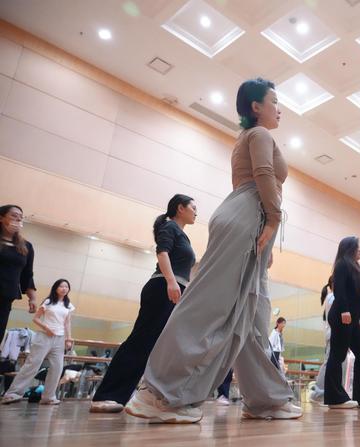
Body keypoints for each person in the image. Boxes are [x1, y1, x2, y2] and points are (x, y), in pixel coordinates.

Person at [125, 78, 300, 423]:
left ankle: (266, 398)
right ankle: (158, 394)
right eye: (274, 102)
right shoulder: (260, 134)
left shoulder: (246, 138)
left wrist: (265, 235)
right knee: (208, 305)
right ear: (256, 107)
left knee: (252, 313)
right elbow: (264, 174)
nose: (279, 109)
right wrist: (273, 219)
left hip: (248, 217)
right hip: (250, 217)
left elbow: (251, 182)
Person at [89, 194, 197, 413]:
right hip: (162, 289)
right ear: (180, 208)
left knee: (158, 348)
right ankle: (107, 395)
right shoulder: (170, 227)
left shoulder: (183, 235)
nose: (196, 212)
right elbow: (162, 253)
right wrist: (171, 281)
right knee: (140, 342)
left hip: (174, 292)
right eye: (193, 207)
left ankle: (146, 397)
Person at [324, 236, 360, 410]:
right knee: (338, 354)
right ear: (349, 249)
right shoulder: (341, 265)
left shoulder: (356, 268)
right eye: (357, 247)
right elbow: (339, 289)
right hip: (342, 316)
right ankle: (335, 398)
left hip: (353, 318)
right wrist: (344, 310)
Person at [1, 279, 74, 405]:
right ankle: (13, 393)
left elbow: (67, 323)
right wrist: (47, 328)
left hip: (59, 339)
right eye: (61, 286)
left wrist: (68, 339)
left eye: (66, 287)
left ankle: (48, 397)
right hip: (44, 337)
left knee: (57, 368)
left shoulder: (69, 305)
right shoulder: (48, 302)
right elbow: (36, 319)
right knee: (32, 364)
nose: (64, 289)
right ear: (56, 288)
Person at [0, 205, 37, 342]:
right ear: (1, 218)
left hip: (5, 298)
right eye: (14, 215)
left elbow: (27, 275)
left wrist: (32, 298)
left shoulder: (26, 246)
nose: (18, 219)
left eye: (21, 217)